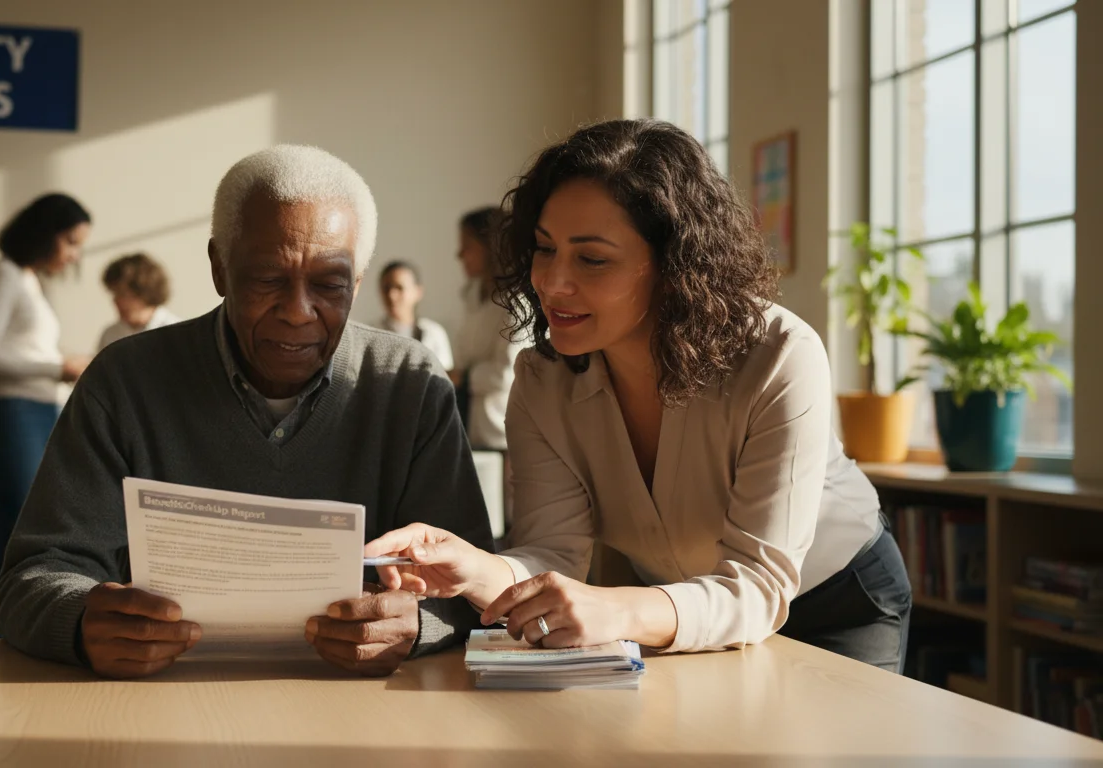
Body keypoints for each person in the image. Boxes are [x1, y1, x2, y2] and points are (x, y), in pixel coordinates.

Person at [366, 119, 912, 673]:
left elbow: (756, 586)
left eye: (592, 259)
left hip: (835, 597)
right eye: (544, 248)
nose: (552, 283)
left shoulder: (780, 354)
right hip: (675, 609)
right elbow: (555, 554)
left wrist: (615, 609)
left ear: (676, 265)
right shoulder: (542, 380)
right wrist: (474, 568)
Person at [0, 145, 494, 679]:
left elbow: (472, 589)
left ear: (359, 276)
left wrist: (415, 624)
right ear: (219, 267)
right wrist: (80, 621)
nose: (299, 312)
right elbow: (34, 576)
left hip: (359, 717)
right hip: (159, 710)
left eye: (329, 284)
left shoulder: (410, 386)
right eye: (268, 279)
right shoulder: (124, 381)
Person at [0, 192, 94, 639]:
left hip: (38, 411)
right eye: (72, 243)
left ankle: (9, 630)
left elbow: (20, 348)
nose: (75, 255)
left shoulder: (28, 280)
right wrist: (58, 367)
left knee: (27, 530)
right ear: (47, 234)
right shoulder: (3, 275)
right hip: (12, 413)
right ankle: (1, 634)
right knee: (18, 531)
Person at [451, 207, 524, 450]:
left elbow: (508, 373)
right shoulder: (471, 295)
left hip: (504, 433)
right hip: (470, 427)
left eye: (467, 246)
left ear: (490, 246)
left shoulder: (518, 302)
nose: (459, 254)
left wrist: (464, 376)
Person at [376, 260, 454, 370]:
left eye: (399, 288)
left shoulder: (434, 333)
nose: (392, 295)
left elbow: (445, 378)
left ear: (418, 292)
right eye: (386, 288)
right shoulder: (372, 334)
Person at [96, 252, 182, 351]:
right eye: (114, 294)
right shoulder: (110, 335)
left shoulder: (175, 332)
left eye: (122, 294)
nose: (116, 301)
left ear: (144, 292)